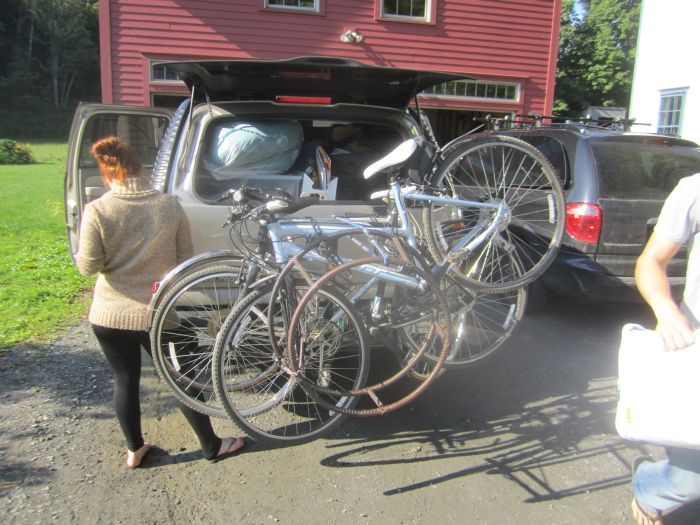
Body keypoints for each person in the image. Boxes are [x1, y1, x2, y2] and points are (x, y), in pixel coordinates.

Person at [76, 136, 244, 468]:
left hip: (108, 315)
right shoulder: (168, 205)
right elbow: (184, 262)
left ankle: (134, 450)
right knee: (180, 379)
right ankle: (211, 445)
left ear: (107, 173)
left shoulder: (97, 209)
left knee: (124, 380)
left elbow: (88, 267)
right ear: (140, 168)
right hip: (157, 314)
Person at [631, 173, 700, 524]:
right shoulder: (694, 190)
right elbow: (651, 262)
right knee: (689, 481)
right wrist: (667, 311)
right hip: (695, 354)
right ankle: (647, 486)